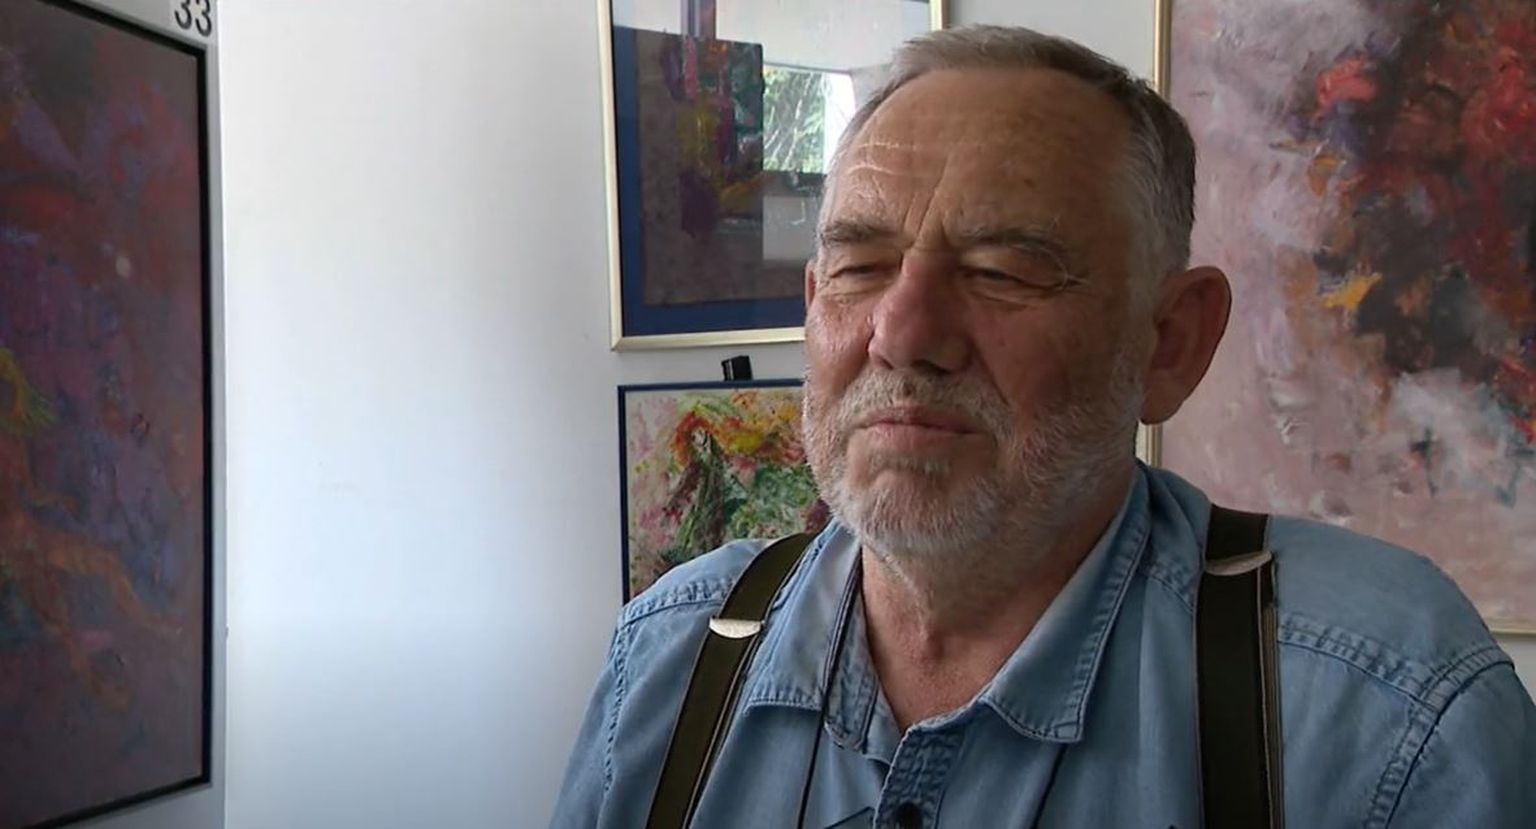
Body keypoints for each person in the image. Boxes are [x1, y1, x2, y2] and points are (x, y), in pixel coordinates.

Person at [552, 25, 1536, 828]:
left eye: (1003, 269)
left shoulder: (1384, 716)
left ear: (1169, 343)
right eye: (859, 266)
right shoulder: (671, 660)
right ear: (814, 306)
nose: (903, 333)